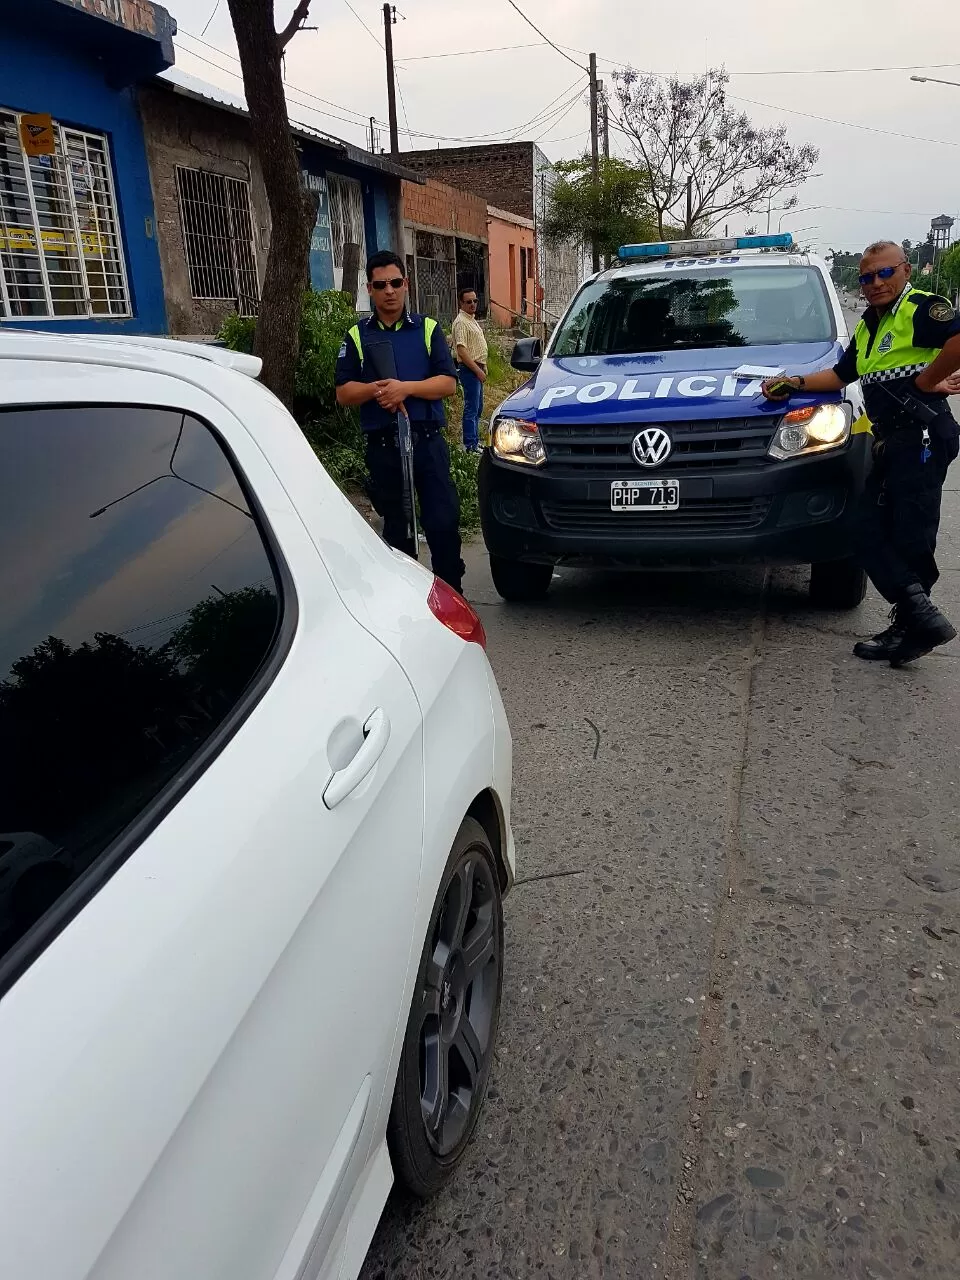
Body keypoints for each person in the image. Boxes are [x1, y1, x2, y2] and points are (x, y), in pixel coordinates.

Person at [762, 240, 960, 666]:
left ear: (906, 271)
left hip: (922, 436)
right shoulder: (871, 324)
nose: (874, 284)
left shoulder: (921, 309)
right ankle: (918, 620)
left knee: (912, 534)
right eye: (867, 277)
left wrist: (927, 382)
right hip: (892, 440)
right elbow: (840, 373)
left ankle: (914, 625)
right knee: (866, 528)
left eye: (884, 273)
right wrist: (793, 383)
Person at [335, 250, 464, 592]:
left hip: (426, 443)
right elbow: (344, 393)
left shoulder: (428, 329)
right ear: (370, 289)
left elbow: (448, 383)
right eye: (381, 285)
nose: (389, 290)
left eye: (395, 282)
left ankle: (453, 601)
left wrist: (404, 389)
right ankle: (407, 607)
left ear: (406, 284)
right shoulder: (358, 335)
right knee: (397, 532)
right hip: (385, 448)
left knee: (443, 523)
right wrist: (377, 390)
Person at [451, 286, 488, 452]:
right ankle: (470, 445)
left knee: (478, 407)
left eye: (475, 301)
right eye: (469, 301)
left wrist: (483, 366)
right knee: (471, 407)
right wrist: (477, 370)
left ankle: (474, 440)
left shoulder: (471, 320)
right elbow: (462, 350)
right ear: (461, 302)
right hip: (469, 369)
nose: (473, 304)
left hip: (477, 367)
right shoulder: (461, 322)